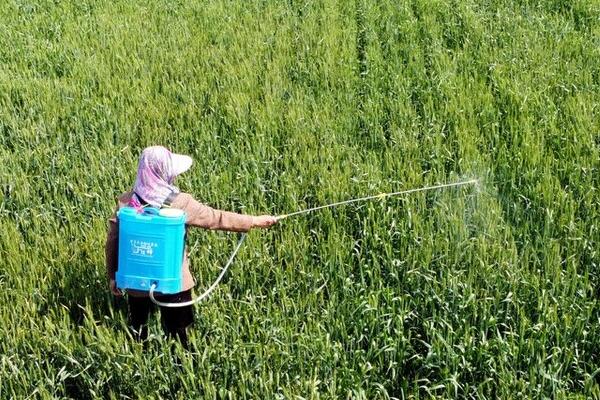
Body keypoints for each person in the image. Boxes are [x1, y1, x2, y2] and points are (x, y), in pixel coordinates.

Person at [105, 146, 277, 349]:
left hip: (136, 285)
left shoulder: (126, 203)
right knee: (182, 336)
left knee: (138, 331)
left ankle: (141, 361)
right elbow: (216, 218)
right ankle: (183, 370)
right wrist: (253, 221)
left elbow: (112, 242)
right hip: (174, 284)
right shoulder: (180, 203)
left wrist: (113, 276)